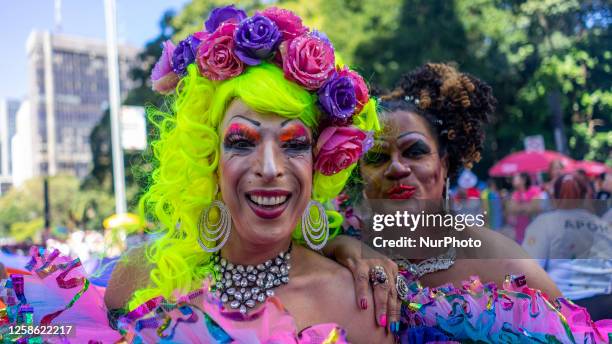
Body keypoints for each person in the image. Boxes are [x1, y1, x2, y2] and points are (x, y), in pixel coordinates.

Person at [1, 6, 396, 343]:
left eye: (293, 145)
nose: (271, 168)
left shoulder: (360, 300)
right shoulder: (139, 279)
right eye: (242, 142)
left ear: (316, 164)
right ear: (208, 159)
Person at [335, 62, 611, 342]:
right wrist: (335, 246)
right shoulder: (343, 250)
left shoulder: (500, 259)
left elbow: (577, 335)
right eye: (376, 157)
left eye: (415, 152)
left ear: (443, 166)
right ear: (359, 175)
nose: (396, 168)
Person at [523, 173, 612, 320]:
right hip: (607, 305)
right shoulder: (603, 225)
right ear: (586, 197)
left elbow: (528, 269)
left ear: (555, 197)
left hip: (567, 309)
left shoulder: (545, 222)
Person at [507, 172, 542, 243]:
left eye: (516, 178)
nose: (513, 180)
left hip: (534, 230)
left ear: (524, 180)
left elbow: (535, 208)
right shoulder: (515, 193)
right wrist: (526, 206)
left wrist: (519, 207)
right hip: (519, 232)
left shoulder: (535, 190)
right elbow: (511, 209)